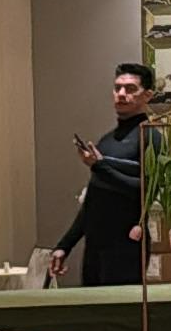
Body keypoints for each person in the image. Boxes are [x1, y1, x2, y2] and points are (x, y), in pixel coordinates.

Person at [45, 61, 151, 287]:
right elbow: (94, 199)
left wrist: (101, 166)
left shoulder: (151, 137)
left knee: (121, 308)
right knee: (91, 306)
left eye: (130, 89)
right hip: (95, 248)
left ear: (147, 96)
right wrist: (65, 245)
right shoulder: (106, 140)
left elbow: (147, 191)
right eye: (117, 88)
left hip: (127, 248)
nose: (121, 94)